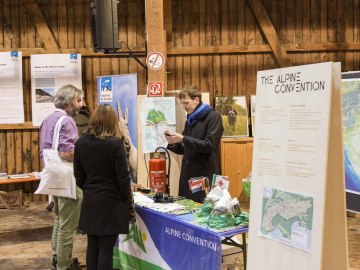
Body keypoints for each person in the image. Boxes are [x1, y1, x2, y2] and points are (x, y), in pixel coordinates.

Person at [73, 104, 133, 270]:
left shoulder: (81, 143)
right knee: (106, 249)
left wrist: (90, 188)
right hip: (111, 203)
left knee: (92, 246)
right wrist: (127, 198)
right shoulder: (115, 144)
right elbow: (122, 178)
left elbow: (78, 176)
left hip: (90, 200)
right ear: (112, 122)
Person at [39, 84, 84, 270]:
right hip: (68, 177)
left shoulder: (47, 120)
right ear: (68, 102)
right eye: (78, 100)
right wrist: (85, 151)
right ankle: (64, 265)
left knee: (59, 219)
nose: (81, 105)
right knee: (68, 225)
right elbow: (67, 153)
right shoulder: (67, 121)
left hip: (53, 175)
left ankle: (58, 257)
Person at [165, 85, 224, 203]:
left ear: (196, 99)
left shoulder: (214, 117)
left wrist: (183, 139)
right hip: (187, 177)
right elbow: (184, 148)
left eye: (186, 103)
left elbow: (209, 145)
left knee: (201, 215)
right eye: (182, 104)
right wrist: (172, 142)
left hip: (204, 176)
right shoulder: (190, 120)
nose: (184, 107)